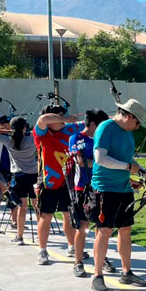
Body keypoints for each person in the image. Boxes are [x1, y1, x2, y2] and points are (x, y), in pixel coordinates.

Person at [89, 98, 146, 291]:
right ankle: (97, 275)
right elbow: (100, 158)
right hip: (105, 189)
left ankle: (127, 272)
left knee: (125, 230)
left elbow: (127, 159)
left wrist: (142, 174)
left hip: (124, 189)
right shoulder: (106, 127)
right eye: (137, 123)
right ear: (129, 116)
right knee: (104, 230)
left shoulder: (128, 134)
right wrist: (127, 167)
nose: (137, 127)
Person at [33, 105, 82, 265]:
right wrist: (65, 119)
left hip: (67, 181)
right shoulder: (42, 133)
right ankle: (42, 250)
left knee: (68, 215)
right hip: (48, 182)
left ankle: (72, 247)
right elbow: (42, 120)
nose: (61, 120)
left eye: (62, 116)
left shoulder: (69, 131)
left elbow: (90, 124)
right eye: (57, 117)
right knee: (46, 216)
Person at [0, 117, 39, 245]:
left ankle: (20, 237)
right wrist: (22, 132)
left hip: (19, 176)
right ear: (25, 128)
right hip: (34, 175)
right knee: (38, 207)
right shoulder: (31, 139)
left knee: (22, 207)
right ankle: (42, 234)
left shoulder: (9, 140)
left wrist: (8, 131)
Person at [68, 109, 108, 277]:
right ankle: (78, 261)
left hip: (100, 187)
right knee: (83, 226)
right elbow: (81, 161)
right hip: (82, 188)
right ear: (92, 124)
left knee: (102, 226)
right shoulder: (76, 138)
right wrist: (101, 161)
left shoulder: (101, 139)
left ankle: (102, 258)